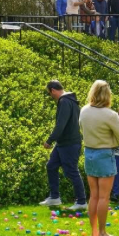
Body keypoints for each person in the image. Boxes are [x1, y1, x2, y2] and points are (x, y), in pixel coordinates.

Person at [79, 80, 119, 236]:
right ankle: (102, 233)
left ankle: (93, 233)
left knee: (93, 196)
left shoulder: (84, 110)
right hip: (105, 155)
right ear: (107, 94)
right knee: (103, 198)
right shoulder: (110, 114)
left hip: (89, 153)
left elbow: (82, 128)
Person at [40, 80, 87, 211]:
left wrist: (49, 140)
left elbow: (61, 124)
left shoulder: (64, 101)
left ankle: (82, 201)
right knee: (51, 166)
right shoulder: (71, 101)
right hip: (63, 143)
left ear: (53, 90)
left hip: (69, 143)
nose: (51, 97)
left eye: (50, 94)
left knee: (71, 171)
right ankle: (55, 197)